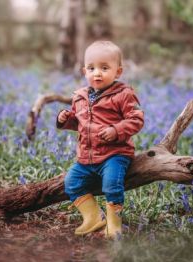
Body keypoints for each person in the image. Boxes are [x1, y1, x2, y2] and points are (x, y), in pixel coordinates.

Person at [56, 40, 144, 239]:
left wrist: (116, 130)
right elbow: (80, 123)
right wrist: (65, 119)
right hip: (87, 156)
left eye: (105, 68)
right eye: (92, 68)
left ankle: (114, 224)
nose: (97, 73)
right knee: (72, 182)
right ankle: (94, 217)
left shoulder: (124, 94)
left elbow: (137, 120)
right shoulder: (80, 96)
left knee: (111, 184)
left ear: (118, 72)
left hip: (115, 154)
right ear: (84, 71)